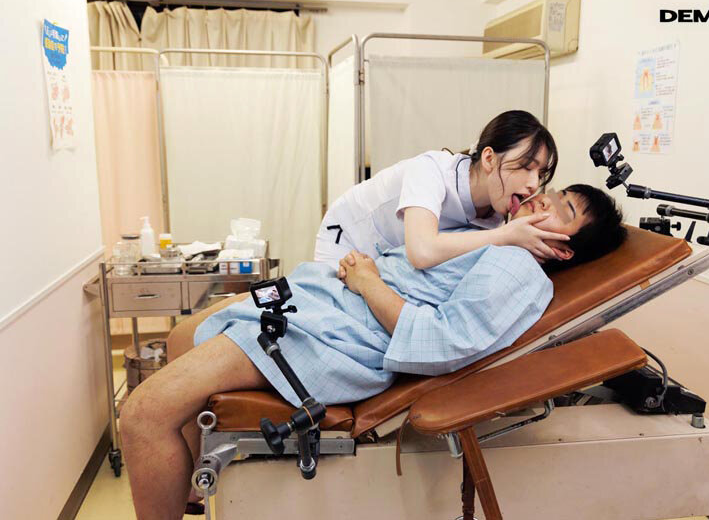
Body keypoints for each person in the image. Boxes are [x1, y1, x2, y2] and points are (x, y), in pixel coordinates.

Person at [120, 184, 626, 520]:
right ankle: (185, 489)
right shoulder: (495, 236)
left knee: (143, 414)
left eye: (564, 210)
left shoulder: (518, 269)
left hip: (338, 335)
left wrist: (367, 281)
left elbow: (438, 341)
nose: (544, 198)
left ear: (563, 249)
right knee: (181, 336)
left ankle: (168, 483)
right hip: (326, 301)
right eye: (555, 192)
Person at [316, 110, 569, 270]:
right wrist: (505, 235)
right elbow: (422, 251)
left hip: (387, 262)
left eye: (540, 174)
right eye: (526, 166)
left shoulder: (496, 214)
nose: (534, 184)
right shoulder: (431, 169)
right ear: (489, 158)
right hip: (346, 236)